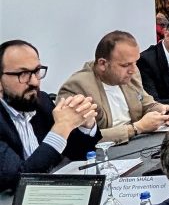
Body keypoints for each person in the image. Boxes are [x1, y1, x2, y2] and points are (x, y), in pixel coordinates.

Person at [0, 39, 98, 190]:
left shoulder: (42, 101)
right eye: (23, 74)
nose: (34, 82)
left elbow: (77, 154)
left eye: (36, 71)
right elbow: (18, 179)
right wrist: (62, 127)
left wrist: (86, 124)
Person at [57, 31, 169, 143]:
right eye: (126, 65)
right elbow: (76, 140)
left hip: (136, 143)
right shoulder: (77, 87)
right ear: (103, 64)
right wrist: (136, 128)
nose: (133, 70)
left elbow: (147, 104)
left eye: (135, 62)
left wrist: (163, 110)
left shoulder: (131, 75)